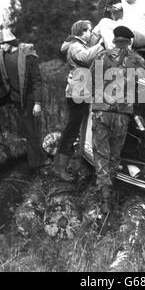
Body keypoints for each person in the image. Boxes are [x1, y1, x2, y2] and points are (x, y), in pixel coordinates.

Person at [90, 25, 145, 214]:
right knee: (114, 154)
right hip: (122, 115)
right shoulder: (136, 59)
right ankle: (111, 190)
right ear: (130, 41)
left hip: (101, 112)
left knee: (101, 153)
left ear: (114, 39)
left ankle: (104, 194)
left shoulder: (100, 56)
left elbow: (89, 80)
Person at [0, 28, 46, 173]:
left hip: (25, 96)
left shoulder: (28, 54)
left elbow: (37, 81)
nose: (1, 47)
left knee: (29, 128)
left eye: (3, 44)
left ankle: (37, 164)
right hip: (7, 92)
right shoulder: (1, 55)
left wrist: (37, 103)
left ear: (10, 41)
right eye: (0, 44)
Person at [52, 20, 104, 182]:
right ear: (82, 32)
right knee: (71, 129)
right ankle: (59, 168)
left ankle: (71, 161)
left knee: (76, 127)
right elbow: (87, 57)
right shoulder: (75, 46)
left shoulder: (76, 44)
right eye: (89, 31)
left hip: (79, 91)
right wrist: (103, 43)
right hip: (77, 93)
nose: (90, 34)